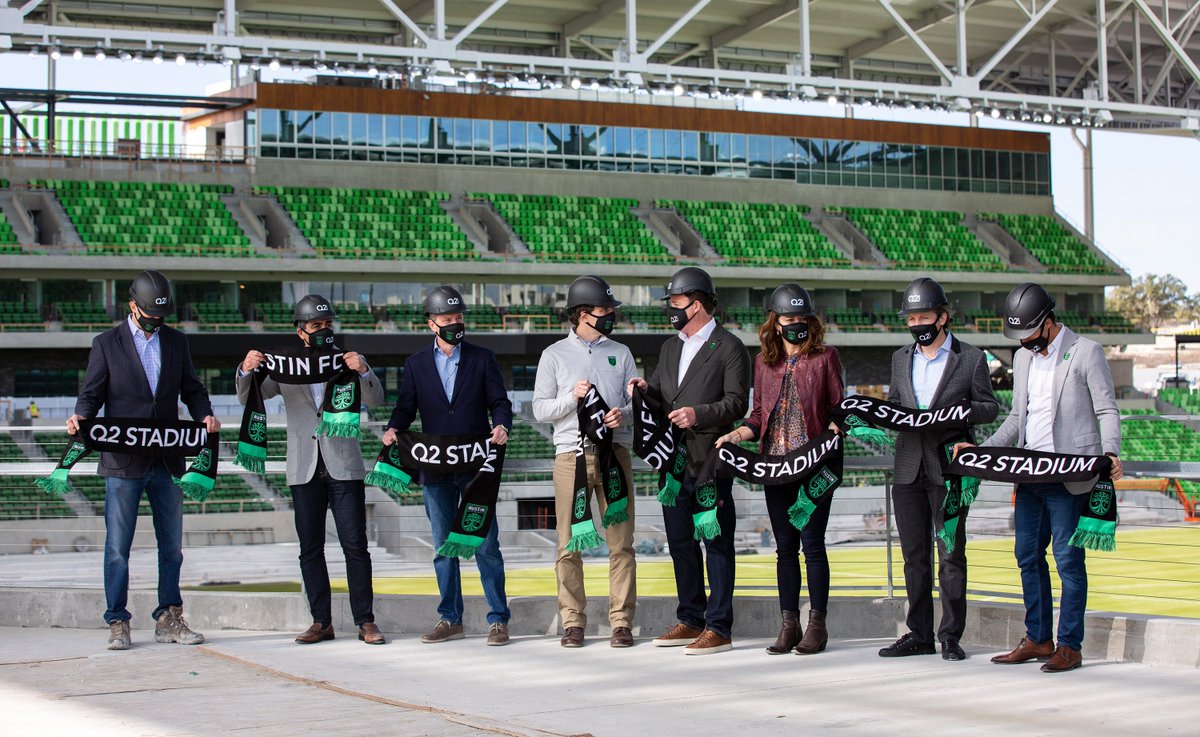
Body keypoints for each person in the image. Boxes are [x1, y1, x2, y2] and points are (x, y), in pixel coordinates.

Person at [964, 282, 1122, 673]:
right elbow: (1018, 419)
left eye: (1029, 334)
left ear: (1048, 322)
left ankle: (1070, 646)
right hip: (1029, 476)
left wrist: (1111, 451)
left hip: (1070, 475)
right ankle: (1038, 638)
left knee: (1069, 562)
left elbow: (1107, 409)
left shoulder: (1087, 352)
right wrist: (984, 451)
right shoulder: (1022, 359)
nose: (1025, 342)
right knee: (1027, 556)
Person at [69, 270, 220, 651]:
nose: (156, 324)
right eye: (150, 317)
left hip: (167, 460)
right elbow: (91, 394)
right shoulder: (106, 343)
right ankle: (117, 620)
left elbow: (192, 388)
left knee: (171, 547)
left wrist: (205, 413)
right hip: (122, 462)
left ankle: (169, 617)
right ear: (132, 305)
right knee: (118, 547)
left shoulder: (176, 342)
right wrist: (80, 416)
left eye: (161, 318)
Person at [237, 295, 385, 645]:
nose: (324, 330)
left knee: (356, 547)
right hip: (303, 466)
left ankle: (366, 621)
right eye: (317, 325)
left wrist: (365, 370)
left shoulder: (347, 361)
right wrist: (246, 369)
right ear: (301, 331)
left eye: (328, 325)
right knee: (310, 549)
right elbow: (249, 396)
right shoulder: (285, 366)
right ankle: (321, 621)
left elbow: (377, 400)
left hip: (344, 466)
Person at [715, 284, 843, 656]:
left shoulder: (826, 357)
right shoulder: (764, 362)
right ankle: (789, 624)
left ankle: (817, 625)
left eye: (802, 319)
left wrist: (837, 425)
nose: (796, 325)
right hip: (776, 465)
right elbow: (758, 416)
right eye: (789, 319)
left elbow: (838, 406)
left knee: (813, 546)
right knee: (784, 549)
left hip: (814, 464)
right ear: (776, 322)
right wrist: (736, 434)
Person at [629, 266, 750, 655]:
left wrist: (698, 414)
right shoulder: (669, 347)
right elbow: (666, 397)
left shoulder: (730, 347)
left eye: (677, 302)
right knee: (680, 542)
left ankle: (719, 626)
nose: (672, 308)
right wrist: (645, 391)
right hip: (674, 461)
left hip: (711, 459)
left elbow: (737, 403)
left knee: (716, 542)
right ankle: (691, 618)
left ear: (697, 303)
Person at [384, 286, 513, 646]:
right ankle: (450, 618)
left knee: (487, 545)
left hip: (476, 467)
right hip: (436, 469)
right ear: (431, 324)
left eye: (459, 318)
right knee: (443, 548)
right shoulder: (415, 364)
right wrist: (394, 428)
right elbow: (406, 408)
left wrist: (502, 424)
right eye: (447, 319)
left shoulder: (483, 358)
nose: (455, 324)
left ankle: (498, 620)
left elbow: (499, 402)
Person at [878, 277, 998, 661]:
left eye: (924, 316)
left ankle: (950, 636)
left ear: (943, 317)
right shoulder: (899, 358)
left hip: (949, 470)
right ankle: (918, 634)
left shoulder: (972, 358)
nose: (917, 324)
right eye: (911, 318)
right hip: (907, 469)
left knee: (950, 554)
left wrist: (960, 412)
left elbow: (989, 407)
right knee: (913, 556)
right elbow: (895, 405)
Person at [533, 275, 638, 648]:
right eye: (603, 311)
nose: (610, 316)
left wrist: (622, 415)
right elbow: (540, 409)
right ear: (582, 314)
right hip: (571, 457)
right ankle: (573, 622)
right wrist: (570, 400)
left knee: (621, 543)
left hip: (615, 456)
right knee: (567, 545)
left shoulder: (622, 353)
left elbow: (633, 403)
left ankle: (621, 622)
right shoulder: (554, 355)